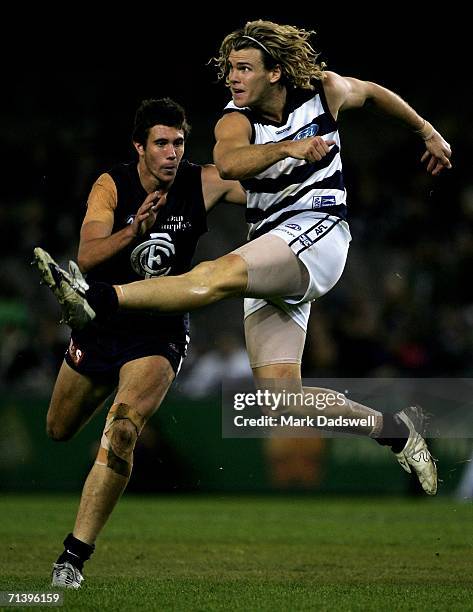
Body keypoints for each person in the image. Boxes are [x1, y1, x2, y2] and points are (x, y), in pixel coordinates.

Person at [36, 21, 450, 507]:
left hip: (319, 231)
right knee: (282, 403)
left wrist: (427, 131)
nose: (232, 77)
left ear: (275, 73)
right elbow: (230, 164)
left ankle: (97, 299)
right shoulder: (234, 119)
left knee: (214, 276)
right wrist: (290, 148)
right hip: (273, 243)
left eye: (244, 67)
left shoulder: (324, 90)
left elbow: (374, 93)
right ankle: (396, 432)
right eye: (230, 67)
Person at [34, 97, 246, 589]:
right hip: (101, 325)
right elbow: (86, 259)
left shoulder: (203, 181)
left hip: (158, 333)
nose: (172, 153)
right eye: (161, 143)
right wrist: (135, 230)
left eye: (178, 143)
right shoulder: (112, 185)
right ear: (139, 147)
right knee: (58, 430)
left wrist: (303, 159)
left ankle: (72, 558)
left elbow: (261, 187)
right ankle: (106, 447)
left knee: (125, 429)